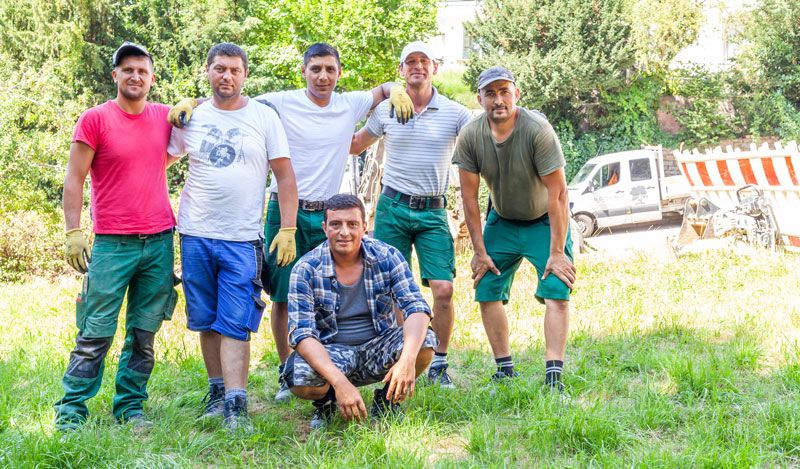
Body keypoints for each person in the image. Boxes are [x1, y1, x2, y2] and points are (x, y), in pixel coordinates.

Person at [169, 42, 414, 403]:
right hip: (285, 212)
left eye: (330, 69)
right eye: (315, 69)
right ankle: (289, 371)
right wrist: (193, 103)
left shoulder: (349, 103)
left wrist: (396, 89)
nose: (323, 76)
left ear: (339, 73)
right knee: (283, 295)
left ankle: (328, 364)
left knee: (326, 293)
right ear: (303, 71)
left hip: (330, 213)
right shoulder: (280, 102)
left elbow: (380, 92)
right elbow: (234, 102)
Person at [167, 42, 298, 432]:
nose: (226, 76)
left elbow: (285, 176)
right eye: (219, 68)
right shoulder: (191, 118)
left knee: (236, 320)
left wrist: (287, 227)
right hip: (194, 233)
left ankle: (237, 404)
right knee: (206, 318)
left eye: (234, 70)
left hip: (242, 237)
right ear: (207, 71)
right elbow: (157, 161)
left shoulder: (263, 117)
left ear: (245, 75)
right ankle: (218, 390)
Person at [55, 42, 178, 431]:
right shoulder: (94, 119)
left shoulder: (163, 117)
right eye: (127, 70)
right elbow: (74, 179)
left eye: (142, 70)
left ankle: (130, 406)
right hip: (112, 244)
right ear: (116, 76)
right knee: (95, 332)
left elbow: (206, 112)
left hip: (159, 241)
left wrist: (188, 104)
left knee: (144, 332)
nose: (135, 76)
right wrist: (73, 231)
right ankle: (71, 410)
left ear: (152, 78)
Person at [349, 41, 472, 388]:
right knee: (393, 290)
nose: (417, 67)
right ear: (401, 70)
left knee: (444, 289)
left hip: (432, 210)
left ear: (434, 68)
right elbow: (355, 144)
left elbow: (482, 140)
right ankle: (405, 357)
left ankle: (440, 362)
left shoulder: (454, 112)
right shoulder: (388, 109)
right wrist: (334, 116)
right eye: (410, 62)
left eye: (424, 61)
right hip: (393, 208)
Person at [453, 67, 576, 391]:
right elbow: (469, 198)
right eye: (490, 93)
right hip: (503, 220)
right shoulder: (471, 135)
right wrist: (479, 252)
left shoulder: (537, 130)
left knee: (557, 290)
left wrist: (556, 252)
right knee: (486, 287)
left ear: (516, 94)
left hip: (546, 220)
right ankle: (504, 369)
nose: (498, 100)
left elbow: (559, 194)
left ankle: (554, 376)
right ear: (479, 99)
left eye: (504, 91)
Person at [284, 194, 437, 429]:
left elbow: (416, 308)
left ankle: (387, 400)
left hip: (378, 346)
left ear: (364, 227)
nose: (344, 232)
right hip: (332, 351)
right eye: (336, 224)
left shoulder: (387, 256)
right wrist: (339, 382)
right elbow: (301, 334)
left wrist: (407, 360)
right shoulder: (305, 269)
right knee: (299, 375)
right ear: (325, 228)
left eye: (352, 224)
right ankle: (328, 403)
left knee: (425, 341)